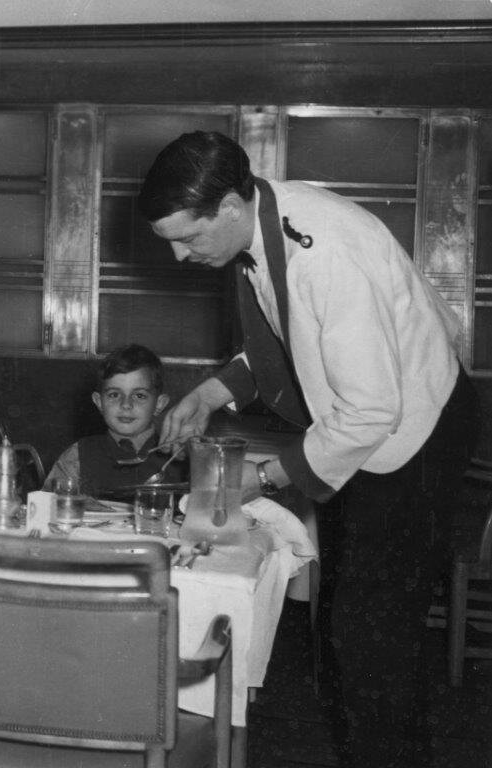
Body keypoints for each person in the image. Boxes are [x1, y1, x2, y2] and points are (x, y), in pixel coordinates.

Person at [138, 131, 479, 768]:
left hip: (417, 432)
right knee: (363, 626)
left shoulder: (327, 257)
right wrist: (212, 391)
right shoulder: (264, 221)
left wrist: (266, 477)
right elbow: (291, 337)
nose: (180, 256)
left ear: (230, 207)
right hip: (372, 419)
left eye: (188, 237)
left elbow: (371, 411)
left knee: (370, 634)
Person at [44, 344, 183, 496]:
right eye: (114, 395)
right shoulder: (77, 456)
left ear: (159, 404)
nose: (126, 405)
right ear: (99, 402)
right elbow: (48, 506)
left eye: (139, 395)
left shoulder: (180, 457)